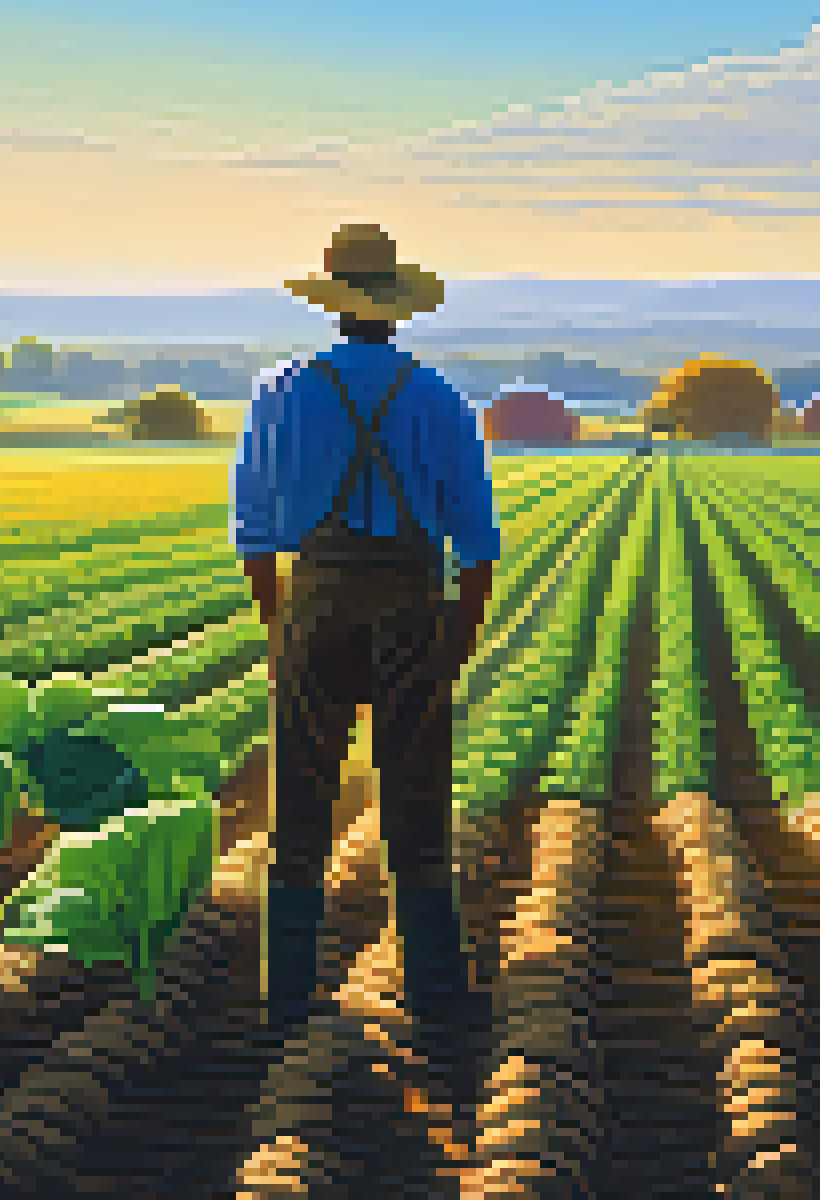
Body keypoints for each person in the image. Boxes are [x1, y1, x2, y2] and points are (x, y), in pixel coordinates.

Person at [231, 223, 500, 1052]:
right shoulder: (439, 398)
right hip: (410, 599)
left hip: (312, 596)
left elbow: (253, 529)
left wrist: (282, 621)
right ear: (396, 310)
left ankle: (286, 998)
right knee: (416, 798)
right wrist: (456, 639)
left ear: (334, 305)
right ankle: (438, 996)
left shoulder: (279, 391)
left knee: (301, 797)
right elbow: (477, 543)